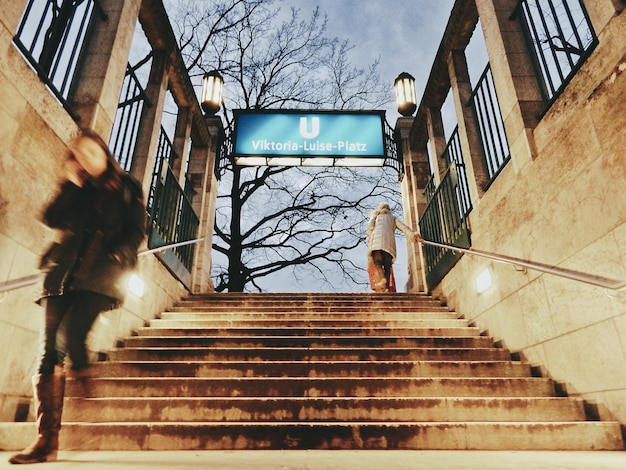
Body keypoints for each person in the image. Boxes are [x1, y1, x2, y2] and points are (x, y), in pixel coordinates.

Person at [9, 129, 146, 465]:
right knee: (48, 353)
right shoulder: (76, 187)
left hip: (102, 275)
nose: (86, 158)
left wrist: (120, 253)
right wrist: (70, 183)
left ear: (105, 153)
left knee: (71, 334)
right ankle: (46, 443)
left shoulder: (127, 187)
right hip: (63, 272)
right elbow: (51, 218)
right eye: (80, 154)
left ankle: (85, 380)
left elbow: (138, 228)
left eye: (92, 152)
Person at [366, 202, 420, 293]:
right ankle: (386, 288)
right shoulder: (393, 218)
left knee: (377, 263)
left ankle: (382, 280)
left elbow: (370, 226)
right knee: (387, 266)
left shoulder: (376, 217)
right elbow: (403, 227)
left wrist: (370, 234)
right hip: (389, 245)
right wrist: (412, 235)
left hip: (376, 243)